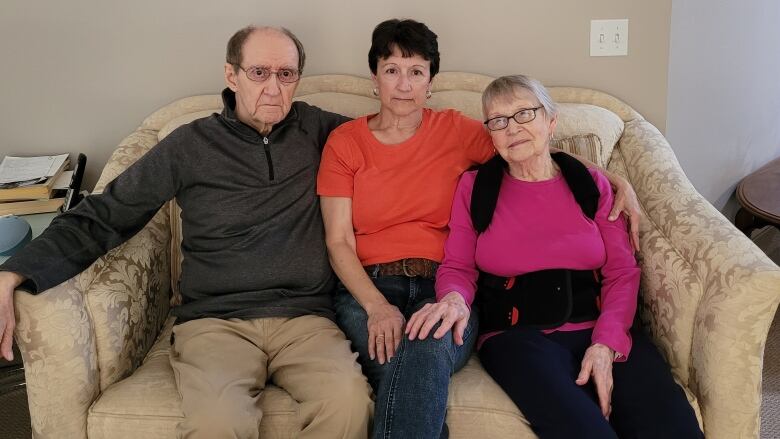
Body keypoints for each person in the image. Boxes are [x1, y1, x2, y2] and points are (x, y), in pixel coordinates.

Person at [0, 26, 373, 439]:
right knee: (218, 423)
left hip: (305, 318)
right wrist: (16, 270)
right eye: (259, 72)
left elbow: (399, 147)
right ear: (232, 75)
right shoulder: (190, 145)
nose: (273, 87)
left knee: (349, 405)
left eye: (286, 74)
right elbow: (106, 214)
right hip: (216, 322)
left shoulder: (323, 132)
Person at [317, 19, 642, 439]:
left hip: (446, 285)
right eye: (391, 69)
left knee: (426, 346)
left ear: (430, 81)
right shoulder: (345, 142)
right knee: (407, 359)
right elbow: (338, 240)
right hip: (369, 287)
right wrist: (378, 307)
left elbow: (525, 145)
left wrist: (612, 178)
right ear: (374, 78)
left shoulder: (454, 130)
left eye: (416, 71)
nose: (403, 84)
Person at [406, 74, 703, 438]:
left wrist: (606, 343)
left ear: (551, 121)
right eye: (498, 121)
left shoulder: (589, 185)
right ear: (491, 134)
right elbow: (458, 266)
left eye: (524, 114)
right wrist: (453, 297)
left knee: (673, 429)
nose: (512, 128)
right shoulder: (476, 187)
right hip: (517, 339)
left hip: (599, 327)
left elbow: (622, 272)